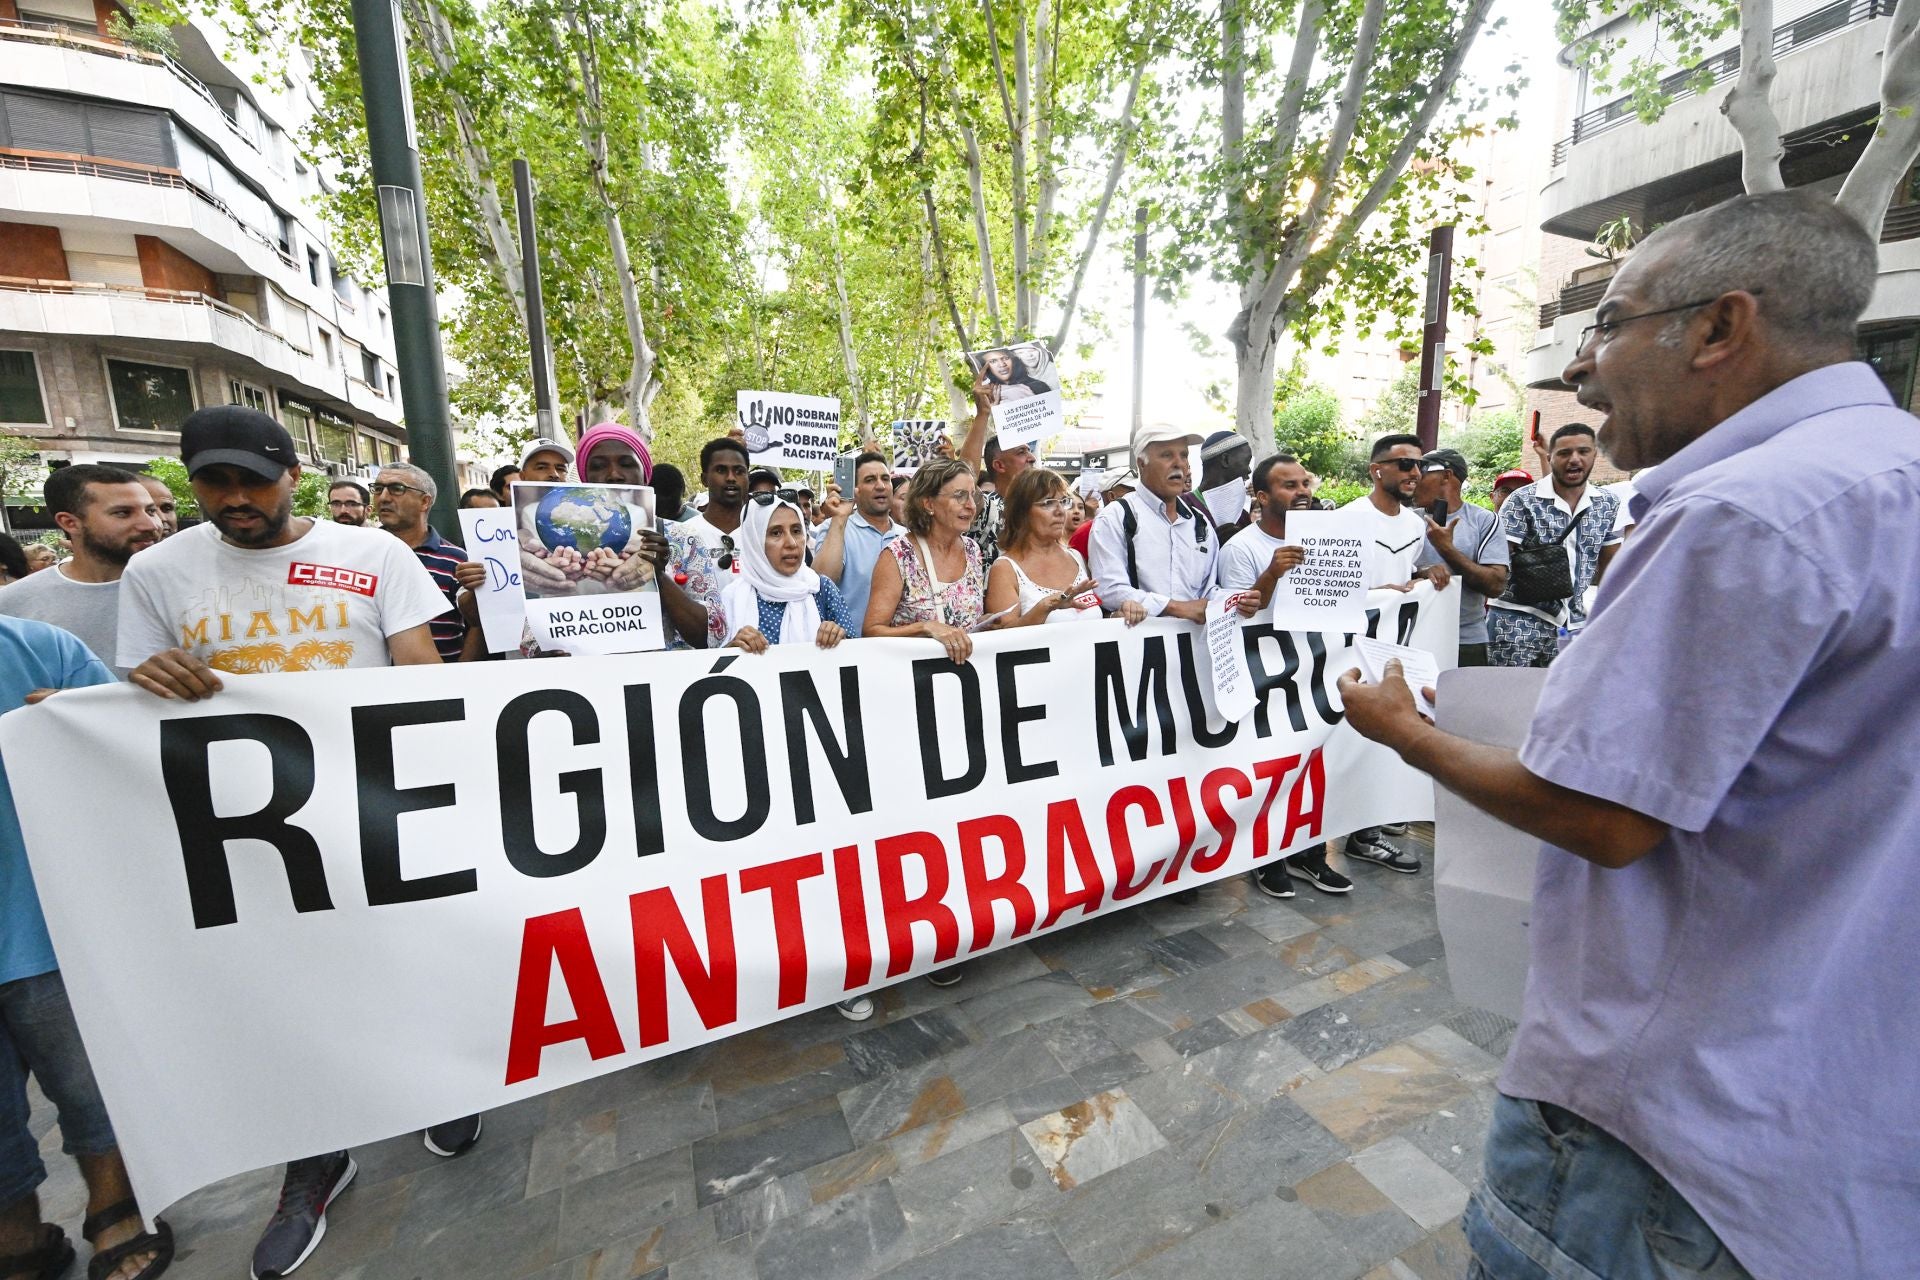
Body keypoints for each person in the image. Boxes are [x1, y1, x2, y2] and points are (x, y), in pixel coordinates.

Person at [1340, 188, 1920, 1280]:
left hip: (1661, 1135)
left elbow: (1603, 816)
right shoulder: (1888, 470)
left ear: (1720, 326)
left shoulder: (1739, 513)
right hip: (1832, 1116)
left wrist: (1404, 732)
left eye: (1609, 322)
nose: (1580, 368)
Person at [114, 406, 481, 1279]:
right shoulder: (157, 573)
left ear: (293, 478)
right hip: (245, 831)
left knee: (404, 960)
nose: (234, 499)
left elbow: (417, 674)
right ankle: (314, 1159)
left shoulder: (375, 555)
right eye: (213, 483)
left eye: (252, 481)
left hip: (373, 807)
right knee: (281, 995)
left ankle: (441, 1085)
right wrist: (144, 678)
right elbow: (132, 694)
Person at [1, 618, 175, 1280]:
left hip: (47, 919)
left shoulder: (41, 649)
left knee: (91, 1079)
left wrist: (89, 723)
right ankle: (16, 1234)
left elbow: (126, 761)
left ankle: (115, 1209)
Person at [1215, 453, 1350, 901]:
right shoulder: (1241, 548)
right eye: (1289, 486)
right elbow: (1235, 615)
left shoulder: (1329, 540)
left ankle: (1309, 852)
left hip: (1314, 673)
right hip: (1264, 678)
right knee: (1268, 769)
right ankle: (1266, 855)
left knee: (1312, 766)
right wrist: (1273, 572)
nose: (1302, 492)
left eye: (1305, 483)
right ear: (1262, 496)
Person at [1334, 434, 1447, 875]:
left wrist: (1423, 574)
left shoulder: (1416, 526)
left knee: (1380, 745)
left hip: (1394, 651)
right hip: (1345, 653)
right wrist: (1374, 593)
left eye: (1419, 465)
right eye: (1404, 464)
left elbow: (1403, 573)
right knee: (1344, 743)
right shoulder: (1346, 519)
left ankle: (1367, 832)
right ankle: (1328, 835)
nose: (1414, 473)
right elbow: (1326, 588)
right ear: (1375, 470)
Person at [0, 465, 162, 676]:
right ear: (70, 523)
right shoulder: (13, 603)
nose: (150, 525)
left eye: (151, 511)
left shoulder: (184, 584)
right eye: (123, 513)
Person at [1487, 423, 1622, 668]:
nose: (1574, 459)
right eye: (1564, 453)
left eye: (1583, 451)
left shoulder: (1608, 503)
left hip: (1574, 625)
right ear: (1550, 457)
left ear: (1595, 454)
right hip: (1516, 619)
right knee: (1510, 691)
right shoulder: (1522, 500)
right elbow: (1497, 560)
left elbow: (1611, 567)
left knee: (1563, 692)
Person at [568, 422, 707, 648]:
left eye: (626, 464)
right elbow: (533, 642)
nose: (614, 475)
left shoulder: (683, 538)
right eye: (599, 466)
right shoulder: (563, 540)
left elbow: (710, 635)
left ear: (645, 475)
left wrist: (657, 574)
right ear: (585, 477)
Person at [1086, 426, 1221, 627]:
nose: (1179, 463)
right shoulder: (1116, 517)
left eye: (1184, 455)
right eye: (1167, 455)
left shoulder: (1200, 522)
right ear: (1142, 464)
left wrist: (1236, 600)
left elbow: (1209, 590)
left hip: (1193, 642)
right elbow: (1108, 588)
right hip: (1140, 641)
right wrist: (1174, 607)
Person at [863, 457, 985, 666]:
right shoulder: (898, 556)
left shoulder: (972, 550)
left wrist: (985, 623)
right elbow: (871, 632)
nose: (971, 506)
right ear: (928, 504)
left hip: (966, 676)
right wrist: (924, 628)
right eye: (960, 496)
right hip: (914, 677)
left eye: (972, 495)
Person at [370, 463, 479, 663]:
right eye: (378, 488)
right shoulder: (361, 554)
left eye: (396, 489)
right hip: (371, 679)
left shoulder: (457, 559)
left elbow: (476, 623)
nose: (383, 497)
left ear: (425, 501)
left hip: (438, 679)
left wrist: (459, 673)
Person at [1412, 448, 1510, 667]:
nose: (1414, 477)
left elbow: (1495, 585)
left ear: (1447, 476)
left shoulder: (1484, 521)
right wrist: (1422, 572)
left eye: (1422, 470)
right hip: (1412, 637)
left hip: (1466, 641)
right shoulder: (1408, 521)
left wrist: (1446, 549)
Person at [984, 468, 1098, 627]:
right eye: (1048, 503)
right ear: (1021, 512)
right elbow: (1004, 635)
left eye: (1063, 502)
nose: (1060, 511)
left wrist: (1119, 615)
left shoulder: (1076, 557)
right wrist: (1044, 608)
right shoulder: (1005, 568)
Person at [811, 452, 903, 636]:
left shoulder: (906, 536)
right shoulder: (835, 528)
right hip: (851, 648)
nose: (880, 486)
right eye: (870, 480)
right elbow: (820, 584)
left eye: (885, 479)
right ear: (855, 490)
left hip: (903, 648)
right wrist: (839, 519)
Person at [676, 439, 750, 553]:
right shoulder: (682, 536)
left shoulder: (764, 532)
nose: (731, 478)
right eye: (721, 470)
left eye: (739, 471)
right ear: (704, 479)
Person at [1196, 430, 1254, 542]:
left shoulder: (1243, 516)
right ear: (1225, 460)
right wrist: (1213, 543)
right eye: (1246, 461)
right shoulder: (1183, 508)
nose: (1249, 470)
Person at [974, 347, 1051, 400]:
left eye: (1005, 358)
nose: (1002, 364)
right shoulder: (986, 393)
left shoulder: (1039, 386)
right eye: (993, 361)